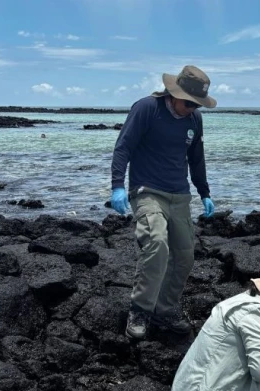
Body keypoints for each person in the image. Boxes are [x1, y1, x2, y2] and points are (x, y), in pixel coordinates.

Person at [110, 65, 218, 340]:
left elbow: (196, 158)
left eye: (197, 105)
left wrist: (204, 192)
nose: (192, 108)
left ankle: (165, 310)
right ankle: (140, 310)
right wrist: (117, 186)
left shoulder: (194, 120)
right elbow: (123, 147)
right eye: (189, 103)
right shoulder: (147, 108)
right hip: (147, 190)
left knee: (184, 256)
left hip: (179, 195)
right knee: (157, 243)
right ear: (174, 93)